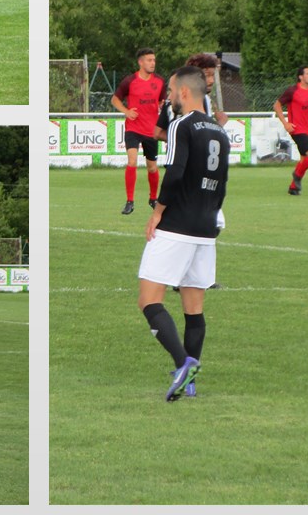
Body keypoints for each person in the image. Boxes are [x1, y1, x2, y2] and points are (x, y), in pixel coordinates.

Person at [138, 66, 230, 402]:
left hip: (177, 225)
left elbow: (175, 173)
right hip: (206, 228)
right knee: (194, 308)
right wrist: (211, 217)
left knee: (149, 299)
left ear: (185, 93)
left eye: (173, 92)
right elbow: (222, 183)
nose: (170, 98)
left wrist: (158, 213)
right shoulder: (219, 132)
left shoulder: (182, 124)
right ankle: (190, 384)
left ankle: (183, 365)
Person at [111, 48, 167, 214]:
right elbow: (114, 99)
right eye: (149, 60)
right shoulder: (129, 81)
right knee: (132, 161)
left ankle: (153, 198)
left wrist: (162, 106)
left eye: (154, 60)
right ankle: (130, 201)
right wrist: (126, 111)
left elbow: (161, 102)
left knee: (152, 167)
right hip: (133, 128)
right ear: (140, 62)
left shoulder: (159, 82)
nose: (152, 63)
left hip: (151, 130)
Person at [274, 65, 308, 195]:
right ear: (300, 77)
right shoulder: (292, 91)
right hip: (296, 130)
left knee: (304, 159)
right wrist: (285, 123)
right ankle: (297, 175)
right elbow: (277, 105)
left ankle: (293, 188)